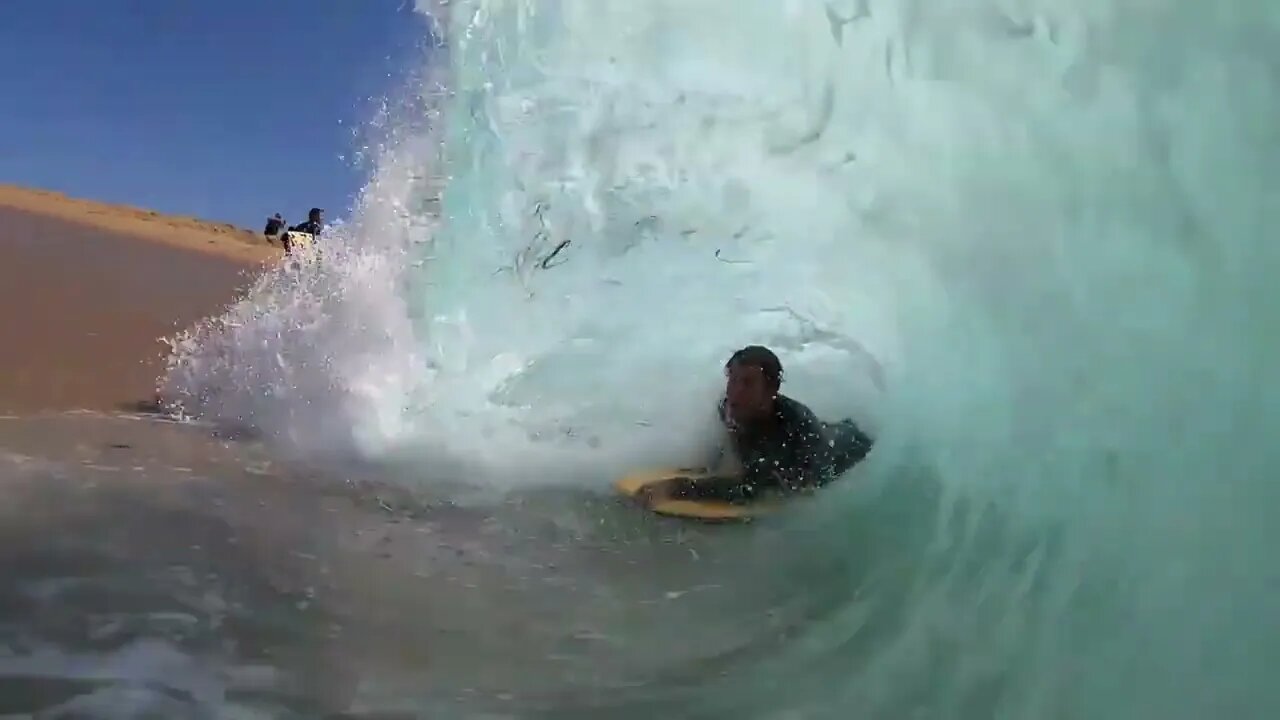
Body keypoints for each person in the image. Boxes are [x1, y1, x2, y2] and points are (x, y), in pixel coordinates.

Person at [643, 345, 874, 505]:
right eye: (732, 380)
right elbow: (725, 444)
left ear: (772, 390)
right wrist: (707, 468)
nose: (735, 392)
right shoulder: (727, 407)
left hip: (849, 448)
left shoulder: (792, 425)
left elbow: (753, 490)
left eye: (747, 383)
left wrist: (676, 488)